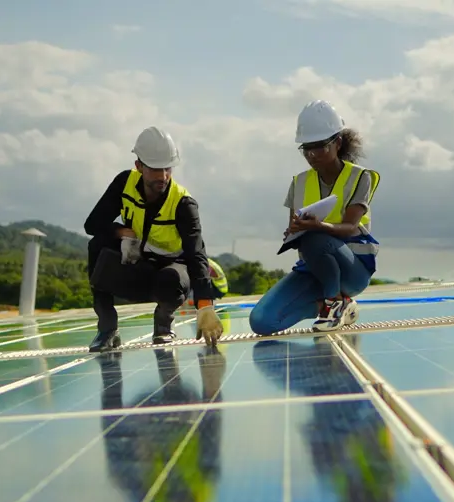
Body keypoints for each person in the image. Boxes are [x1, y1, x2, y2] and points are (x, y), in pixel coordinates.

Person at [83, 126, 225, 351]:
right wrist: (120, 232)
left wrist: (205, 305)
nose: (163, 176)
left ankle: (163, 324)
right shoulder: (124, 184)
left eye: (167, 168)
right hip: (139, 265)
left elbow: (196, 253)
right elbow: (92, 225)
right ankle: (107, 328)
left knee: (170, 279)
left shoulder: (183, 204)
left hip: (172, 271)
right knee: (97, 245)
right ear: (139, 166)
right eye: (155, 169)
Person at [249, 100, 381, 335]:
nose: (311, 154)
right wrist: (293, 231)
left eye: (319, 147)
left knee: (315, 237)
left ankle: (334, 300)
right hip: (314, 269)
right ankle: (331, 306)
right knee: (262, 321)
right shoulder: (298, 183)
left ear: (337, 142)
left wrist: (317, 226)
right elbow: (295, 226)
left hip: (352, 270)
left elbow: (351, 226)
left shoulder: (360, 178)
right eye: (306, 148)